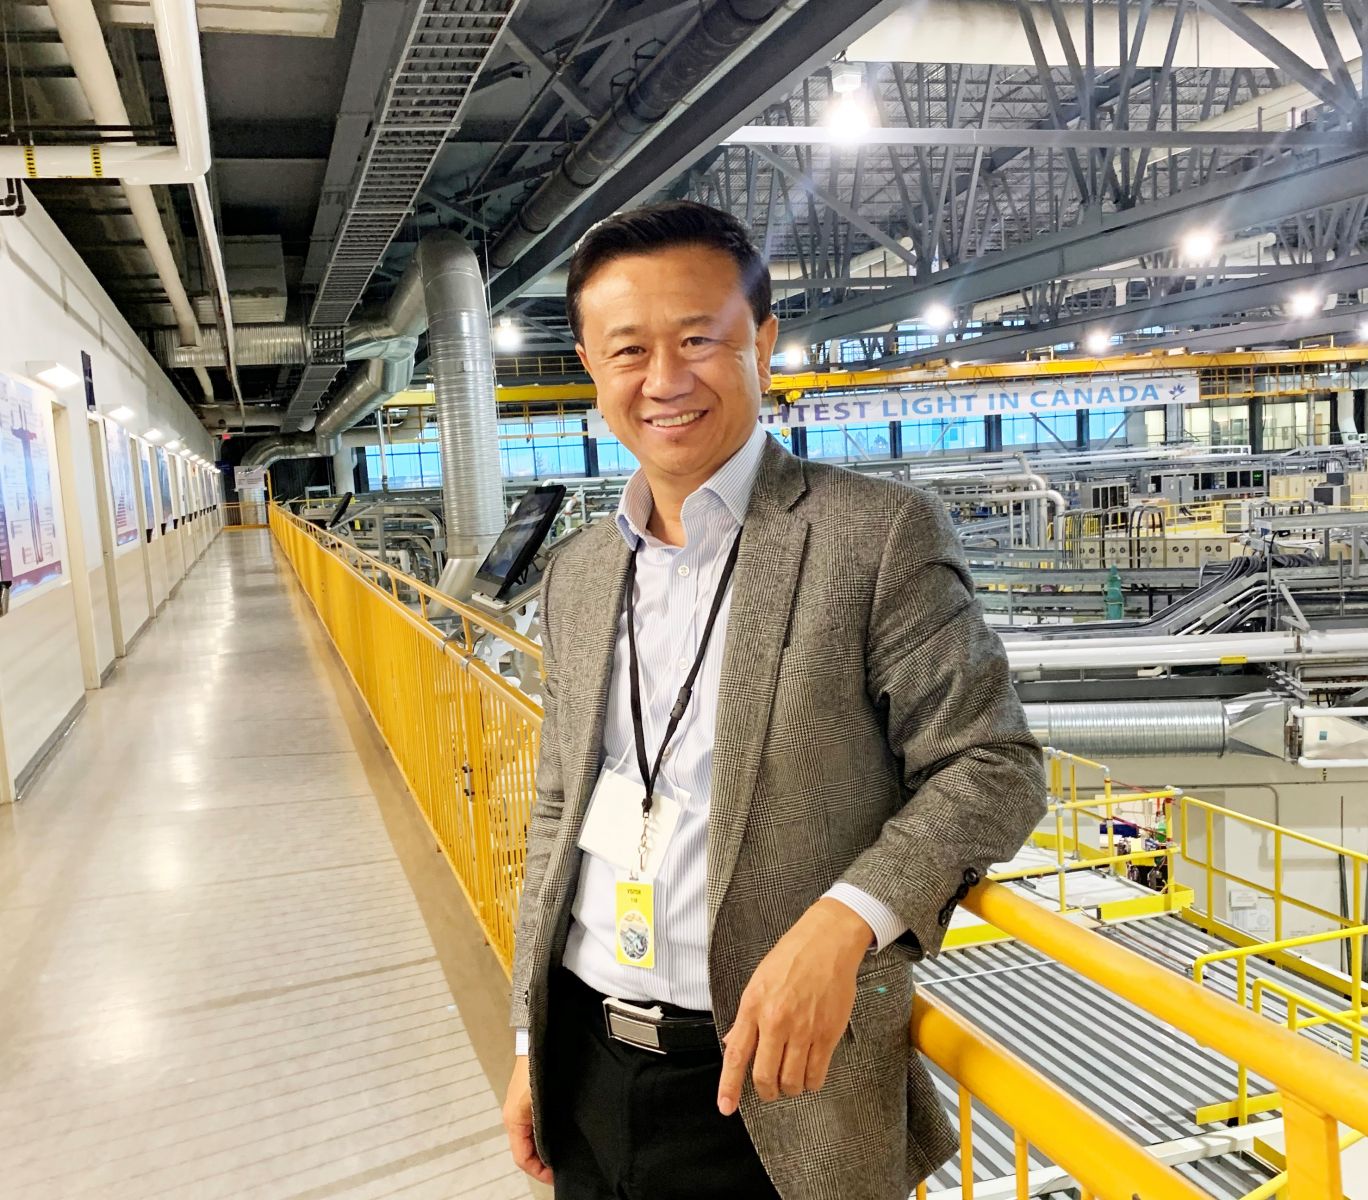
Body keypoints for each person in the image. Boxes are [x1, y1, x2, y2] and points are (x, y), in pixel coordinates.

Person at [502, 200, 1045, 1200]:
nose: (664, 380)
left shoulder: (871, 536)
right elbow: (557, 812)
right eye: (628, 350)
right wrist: (531, 1033)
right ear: (589, 364)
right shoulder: (577, 573)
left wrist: (844, 923)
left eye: (698, 340)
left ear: (761, 340)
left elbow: (993, 765)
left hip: (773, 1086)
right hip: (585, 1060)